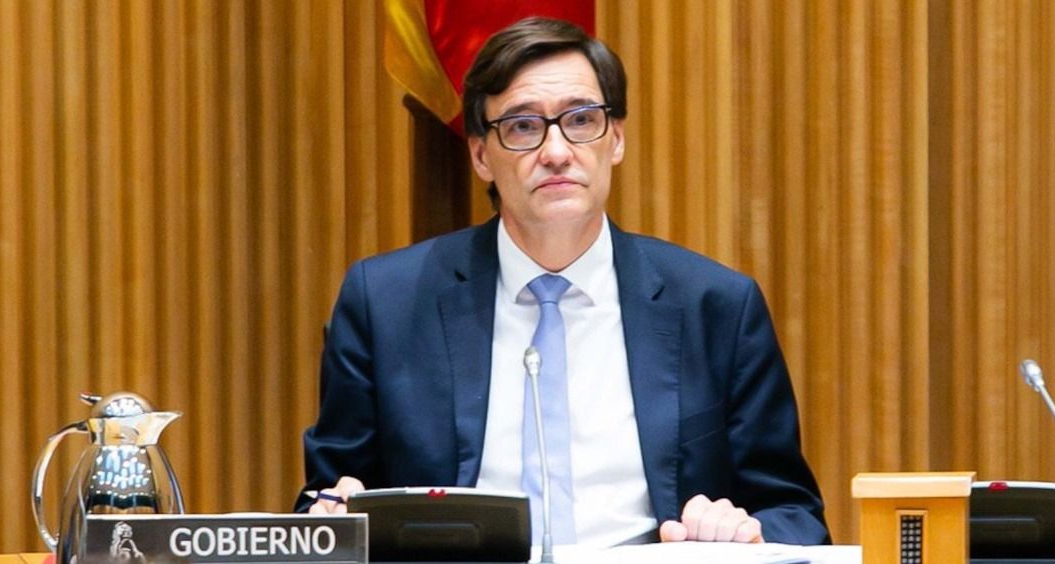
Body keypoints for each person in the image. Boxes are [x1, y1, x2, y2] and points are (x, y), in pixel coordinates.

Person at [298, 16, 829, 547]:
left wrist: (745, 533)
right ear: (481, 155)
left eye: (580, 119)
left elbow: (796, 516)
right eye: (523, 127)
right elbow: (323, 508)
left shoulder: (716, 307)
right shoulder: (385, 304)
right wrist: (334, 513)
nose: (556, 152)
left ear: (615, 139)